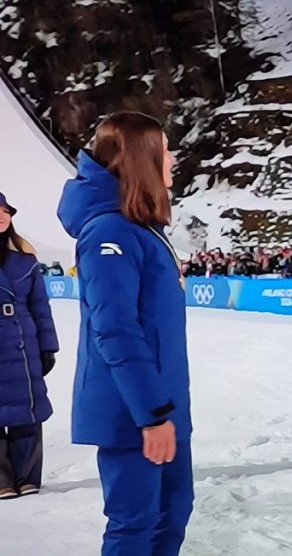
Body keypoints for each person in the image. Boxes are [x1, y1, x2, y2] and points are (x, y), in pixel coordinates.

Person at [57, 112, 193, 555]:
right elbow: (115, 330)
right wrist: (151, 415)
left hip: (163, 402)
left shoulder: (140, 227)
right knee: (136, 523)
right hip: (133, 410)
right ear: (141, 158)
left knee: (172, 511)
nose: (173, 158)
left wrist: (165, 410)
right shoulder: (108, 231)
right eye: (165, 150)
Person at [0, 193, 58, 500]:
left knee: (28, 412)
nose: (2, 215)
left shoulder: (25, 258)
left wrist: (48, 347)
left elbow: (40, 306)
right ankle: (2, 480)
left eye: (5, 211)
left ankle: (27, 477)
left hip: (24, 343)